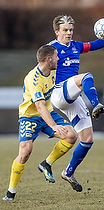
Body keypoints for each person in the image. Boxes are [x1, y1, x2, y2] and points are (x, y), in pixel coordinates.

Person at [44, 15, 104, 192]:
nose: (69, 33)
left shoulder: (76, 46)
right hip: (59, 93)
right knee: (86, 76)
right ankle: (96, 104)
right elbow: (40, 70)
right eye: (65, 30)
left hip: (72, 97)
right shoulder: (51, 49)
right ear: (57, 31)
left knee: (87, 139)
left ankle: (68, 172)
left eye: (71, 30)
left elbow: (97, 44)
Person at [3, 45, 78, 200]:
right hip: (29, 116)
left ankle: (46, 164)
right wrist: (53, 126)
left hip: (47, 112)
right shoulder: (33, 78)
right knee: (25, 152)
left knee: (71, 136)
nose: (59, 59)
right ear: (48, 59)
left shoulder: (54, 72)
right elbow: (39, 105)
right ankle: (11, 192)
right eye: (56, 56)